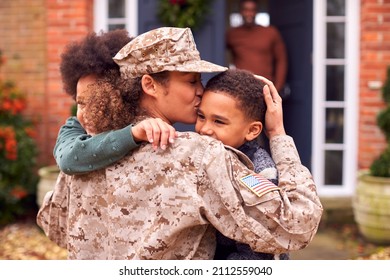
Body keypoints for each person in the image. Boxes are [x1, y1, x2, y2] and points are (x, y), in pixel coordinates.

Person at [37, 27, 323, 260]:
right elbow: (297, 224)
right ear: (150, 85)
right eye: (190, 81)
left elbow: (55, 226)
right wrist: (278, 136)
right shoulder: (199, 156)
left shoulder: (87, 152)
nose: (201, 91)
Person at [226, 0, 288, 93]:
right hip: (241, 89)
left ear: (257, 12)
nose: (249, 13)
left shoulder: (271, 32)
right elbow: (218, 54)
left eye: (252, 10)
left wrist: (277, 87)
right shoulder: (232, 34)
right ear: (240, 11)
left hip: (265, 88)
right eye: (246, 9)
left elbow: (281, 60)